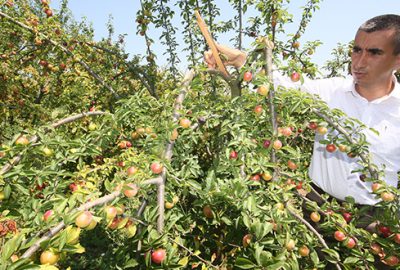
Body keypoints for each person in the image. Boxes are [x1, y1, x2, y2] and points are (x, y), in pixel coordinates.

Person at [204, 14, 400, 206]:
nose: (359, 62)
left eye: (374, 52)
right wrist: (240, 59)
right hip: (318, 207)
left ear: (398, 61)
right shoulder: (330, 92)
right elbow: (280, 85)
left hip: (374, 221)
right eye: (357, 50)